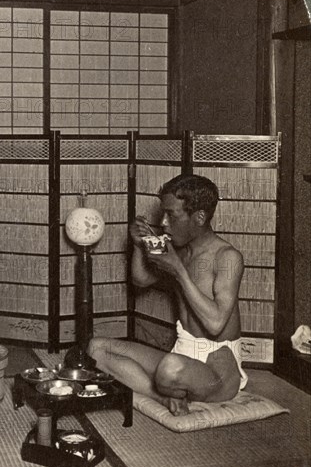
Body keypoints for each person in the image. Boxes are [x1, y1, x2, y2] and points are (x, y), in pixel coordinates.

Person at [88, 174, 247, 416]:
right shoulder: (179, 250)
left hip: (218, 370)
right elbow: (140, 280)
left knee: (169, 369)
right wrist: (139, 245)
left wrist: (179, 271)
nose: (163, 222)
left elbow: (215, 324)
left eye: (171, 215)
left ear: (200, 217)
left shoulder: (227, 257)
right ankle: (163, 399)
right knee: (97, 348)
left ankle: (167, 388)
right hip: (181, 352)